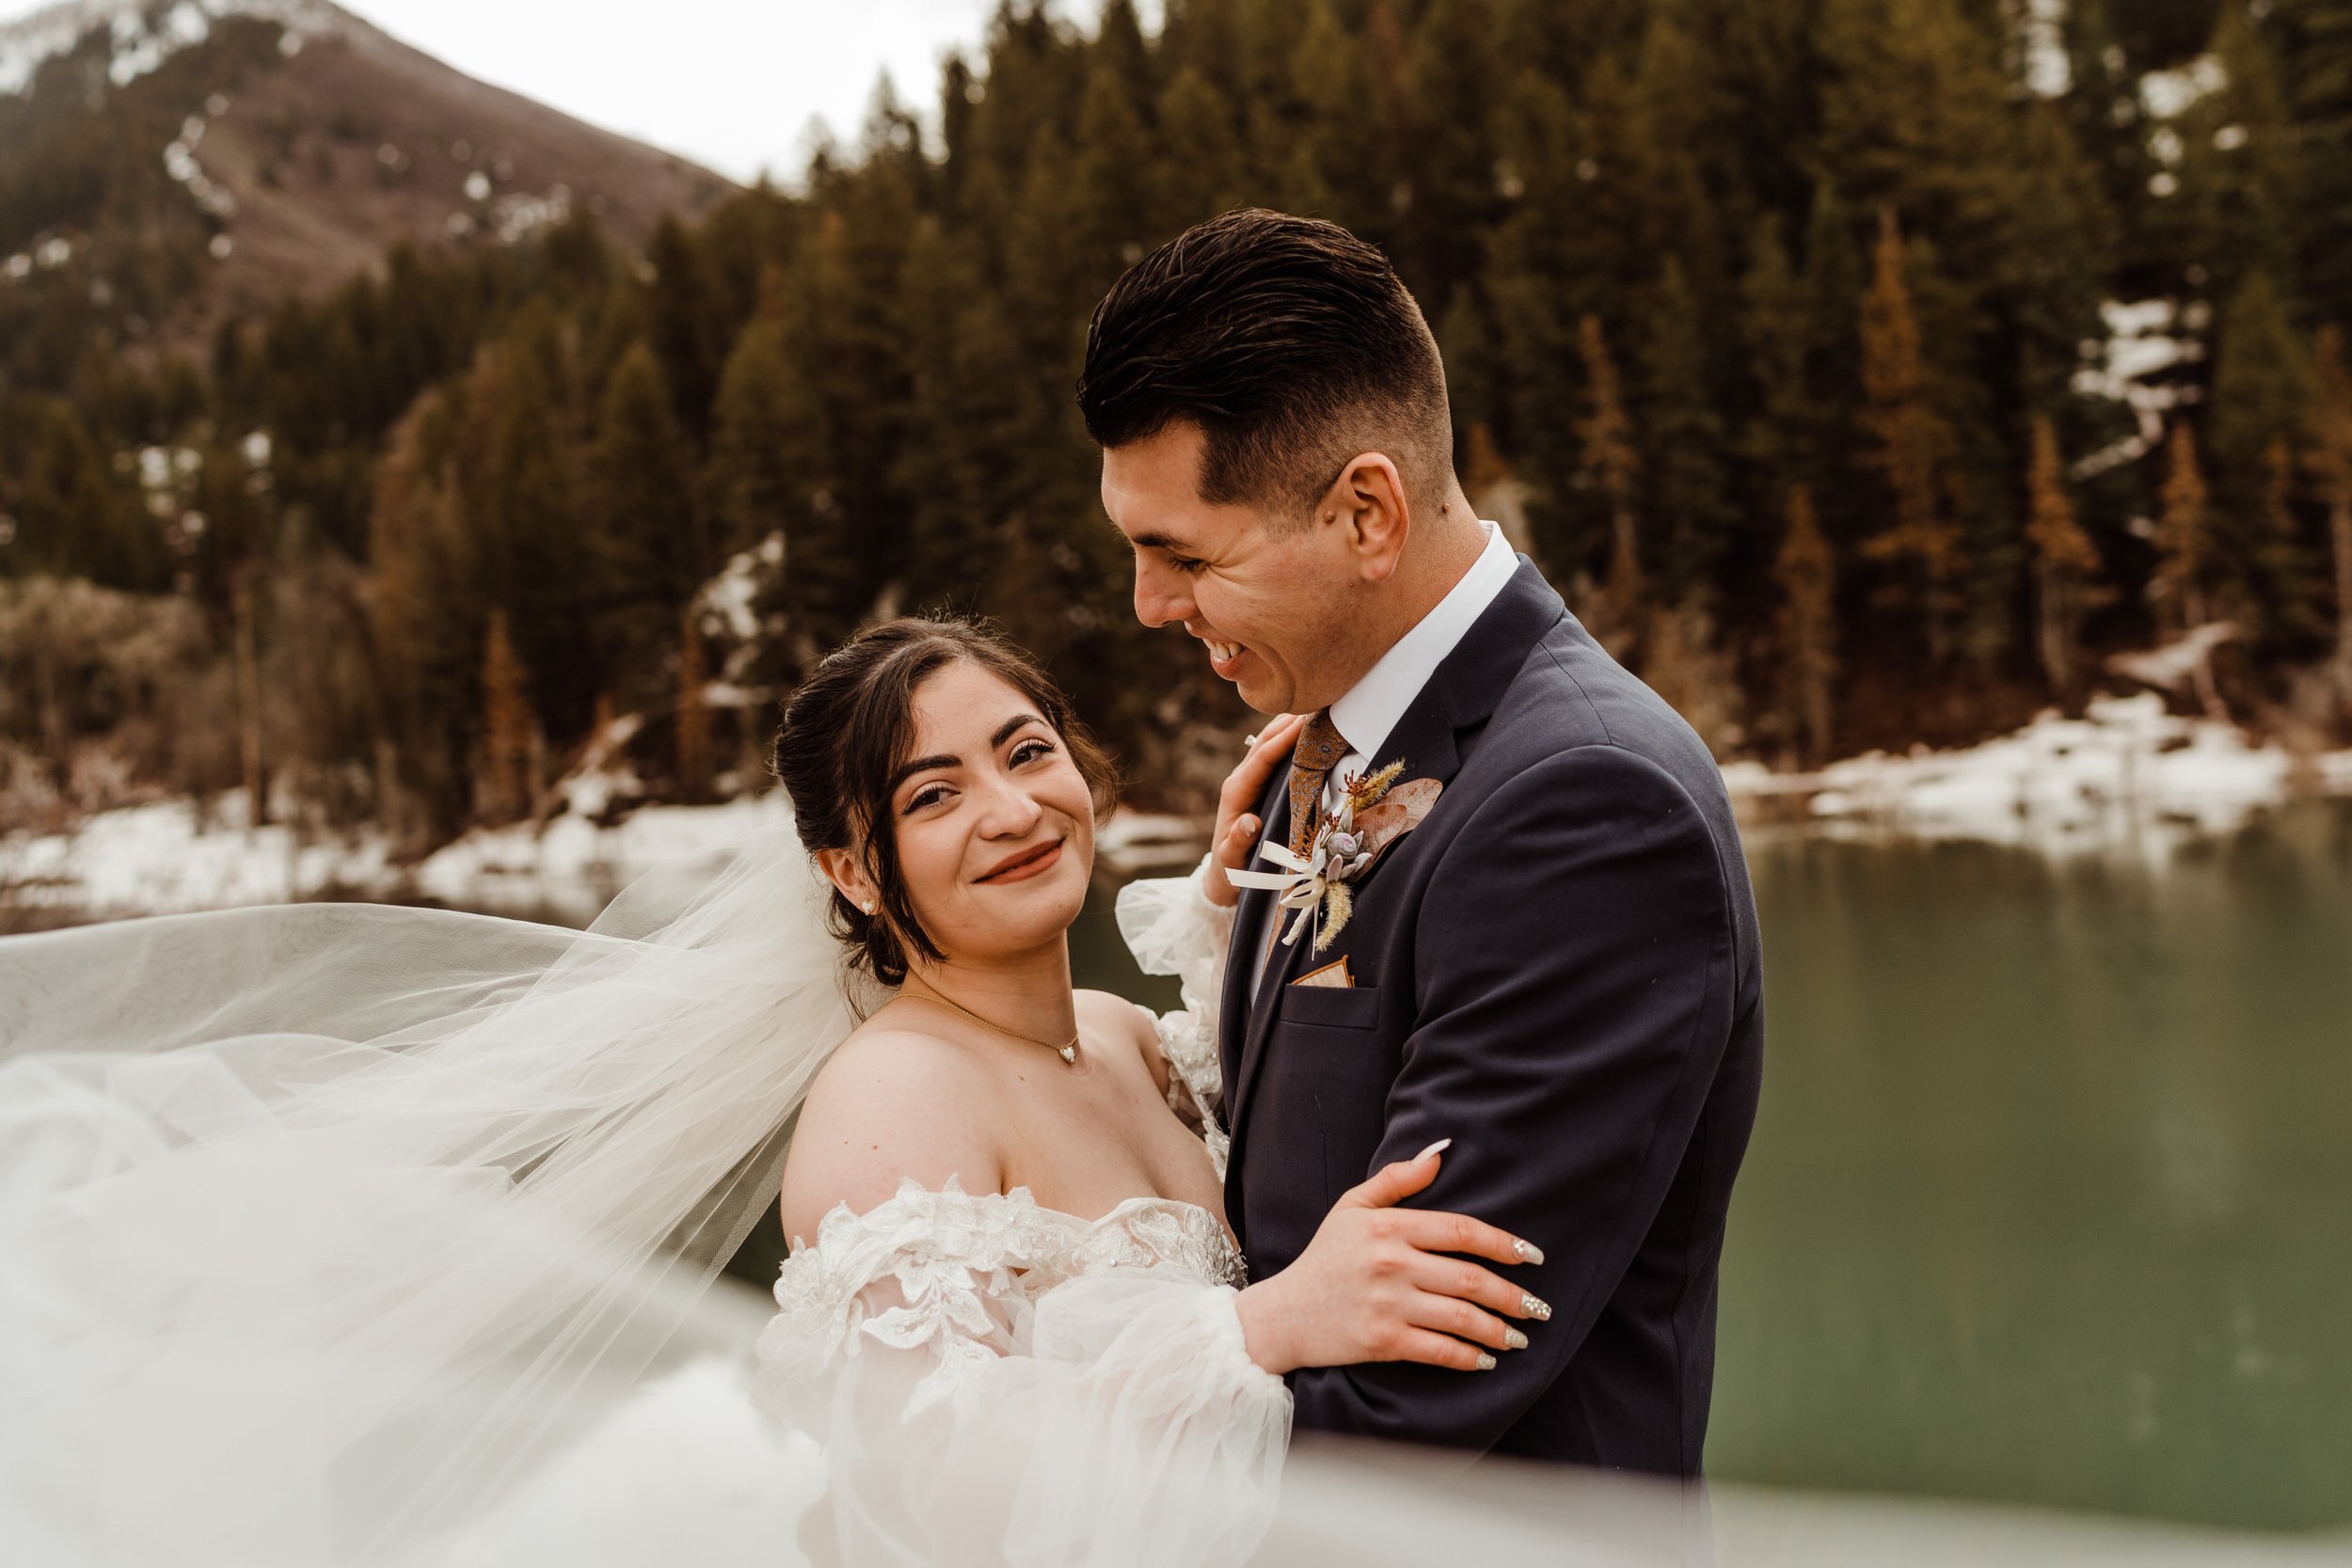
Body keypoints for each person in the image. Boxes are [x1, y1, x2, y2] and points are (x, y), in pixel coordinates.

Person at [0, 614, 1542, 1568]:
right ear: (852, 867)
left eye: (1028, 752)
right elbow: (936, 1488)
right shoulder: (891, 1102)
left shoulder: (1121, 1035)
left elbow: (1243, 1101)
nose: (1010, 809)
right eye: (935, 794)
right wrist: (1261, 1326)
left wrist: (1236, 904)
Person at [1084, 209, 1765, 1473]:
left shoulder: (1587, 809)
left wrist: (1042, 1491)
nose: (1149, 605)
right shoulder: (1326, 750)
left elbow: (1408, 1397)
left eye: (1182, 554)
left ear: (1366, 514)